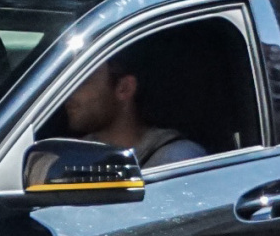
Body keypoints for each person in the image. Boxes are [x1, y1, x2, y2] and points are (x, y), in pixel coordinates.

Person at [61, 45, 206, 167]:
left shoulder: (176, 159)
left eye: (83, 80)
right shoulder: (73, 156)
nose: (68, 92)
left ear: (124, 88)